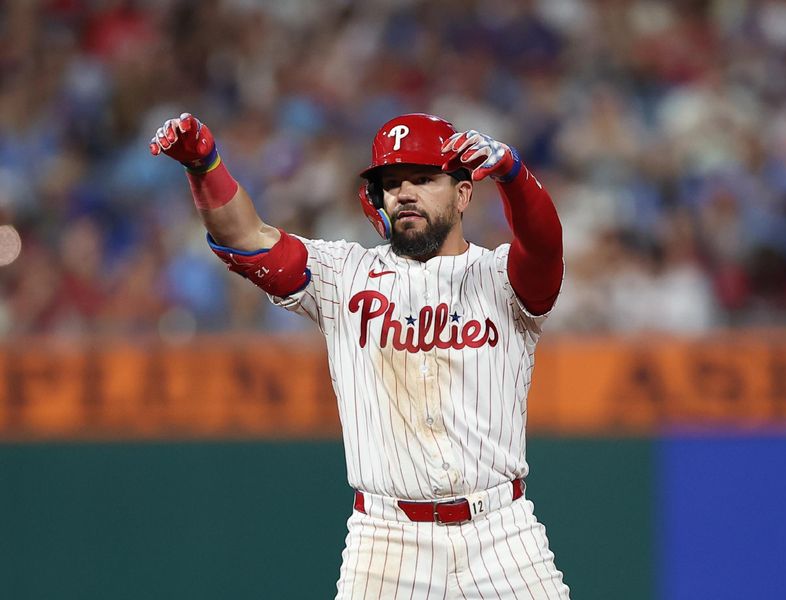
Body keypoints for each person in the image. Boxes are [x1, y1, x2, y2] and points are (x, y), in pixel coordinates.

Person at [151, 111, 569, 599]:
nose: (405, 192)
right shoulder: (343, 273)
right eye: (391, 182)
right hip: (387, 540)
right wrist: (204, 166)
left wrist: (514, 176)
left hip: (502, 532)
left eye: (423, 178)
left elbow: (544, 248)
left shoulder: (501, 276)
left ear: (462, 192)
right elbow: (243, 237)